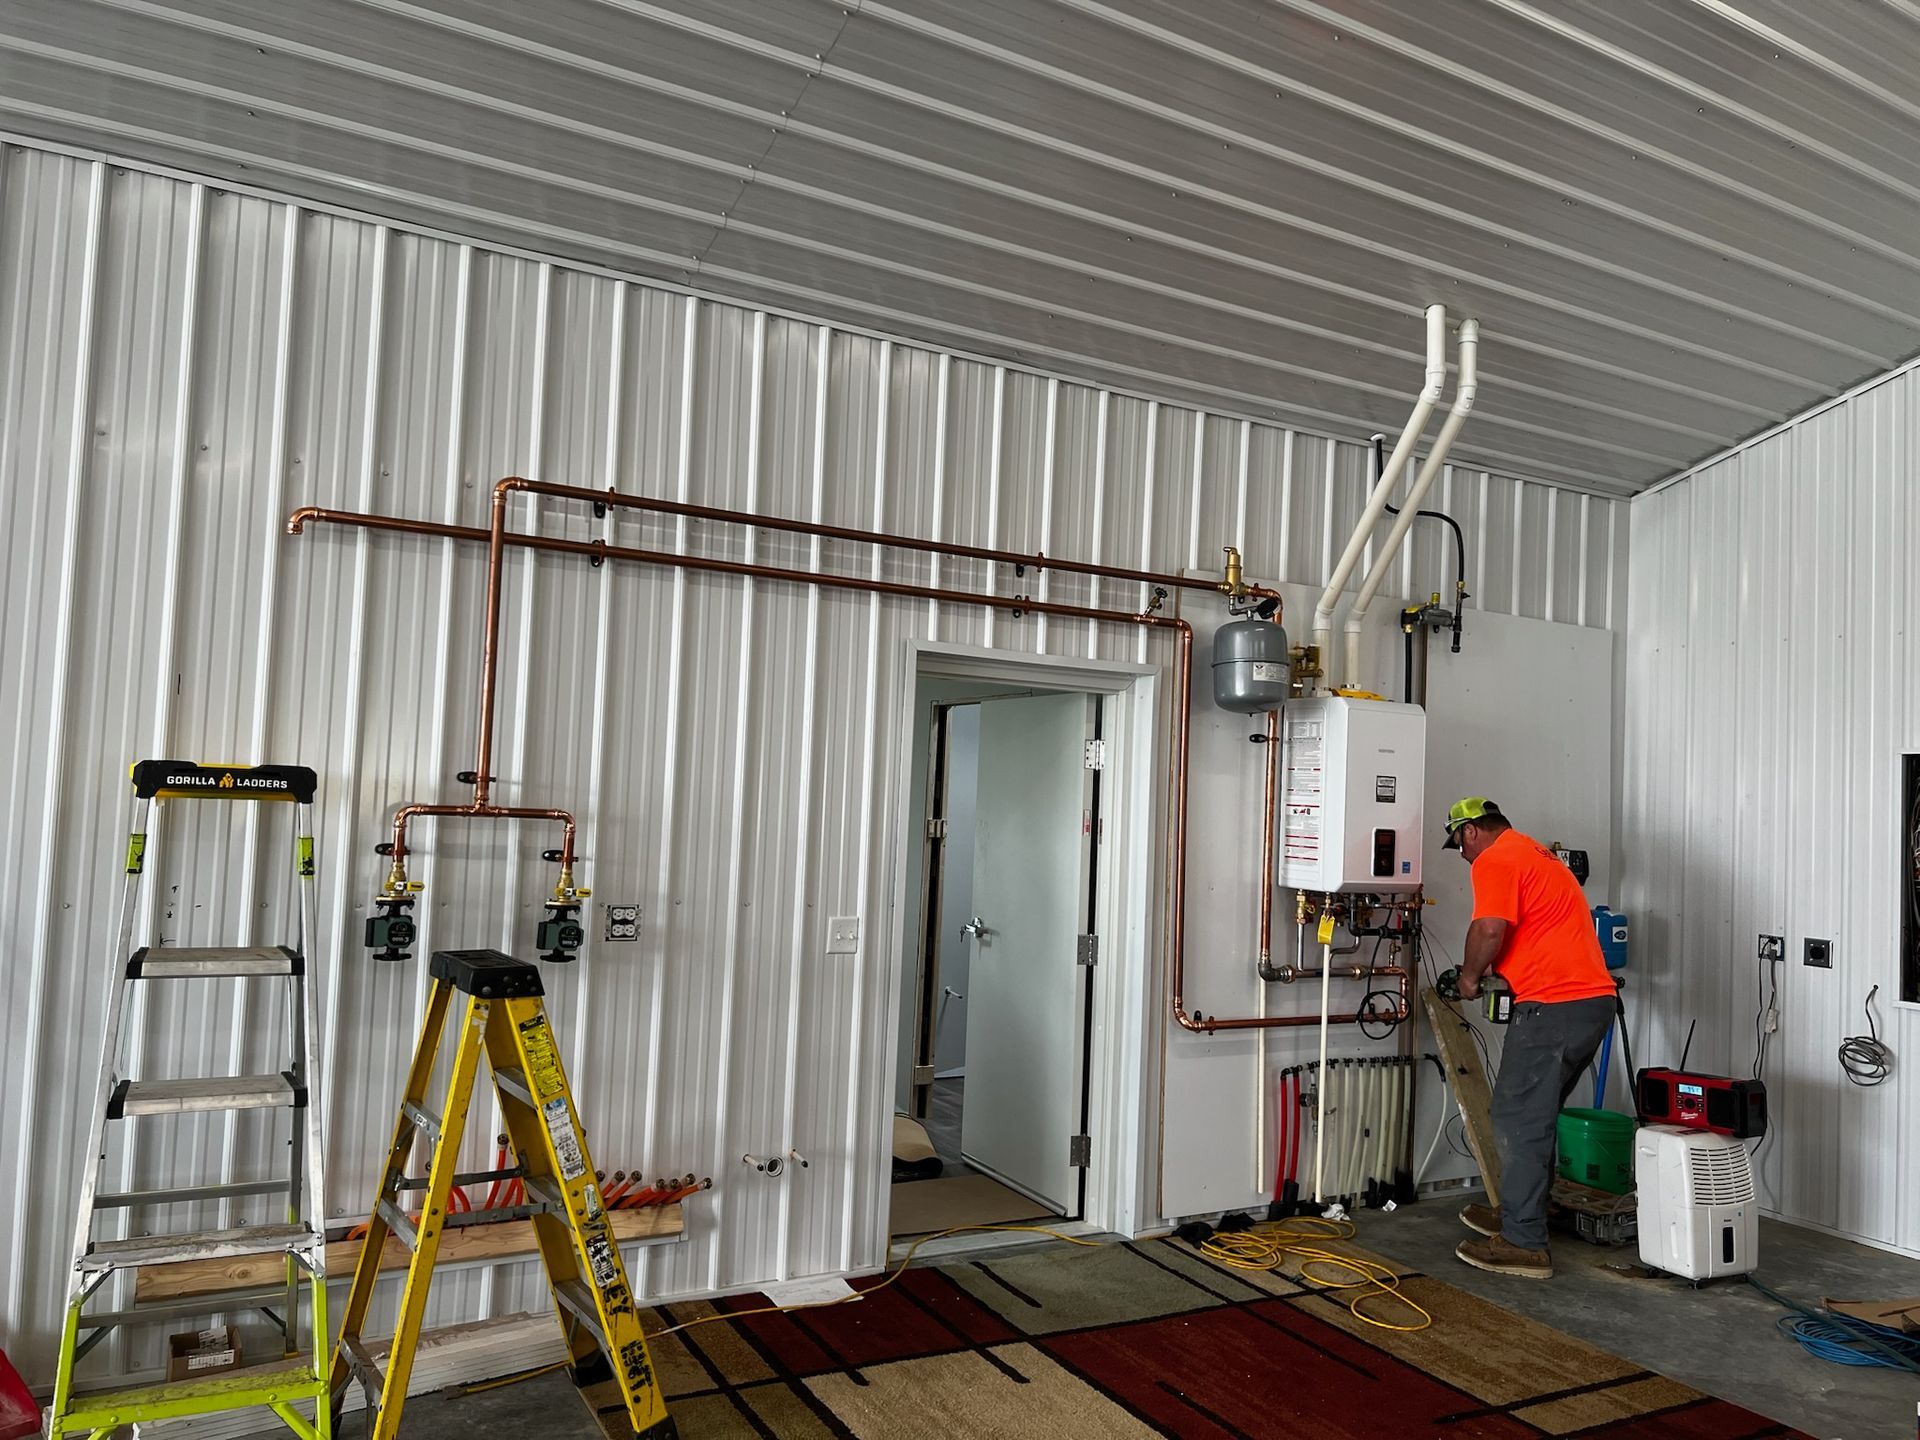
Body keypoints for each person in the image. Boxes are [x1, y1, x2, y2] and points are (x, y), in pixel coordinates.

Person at [1441, 797, 1616, 1280]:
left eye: (1458, 842)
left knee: (1517, 1117)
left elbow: (1489, 928)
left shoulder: (1497, 858)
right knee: (1534, 1115)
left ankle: (1524, 1242)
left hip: (1556, 1007)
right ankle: (1526, 1212)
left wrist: (1470, 979)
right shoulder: (1533, 853)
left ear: (1472, 831)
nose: (1460, 854)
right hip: (1587, 1004)